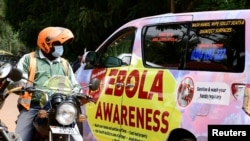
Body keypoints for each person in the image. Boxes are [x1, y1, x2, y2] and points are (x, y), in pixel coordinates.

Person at [8, 27, 83, 141]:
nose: (60, 47)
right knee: (19, 138)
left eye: (61, 44)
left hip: (60, 109)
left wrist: (80, 93)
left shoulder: (64, 63)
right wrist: (21, 85)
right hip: (33, 108)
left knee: (78, 139)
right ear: (45, 44)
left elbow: (74, 84)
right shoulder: (29, 59)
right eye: (57, 44)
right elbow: (17, 79)